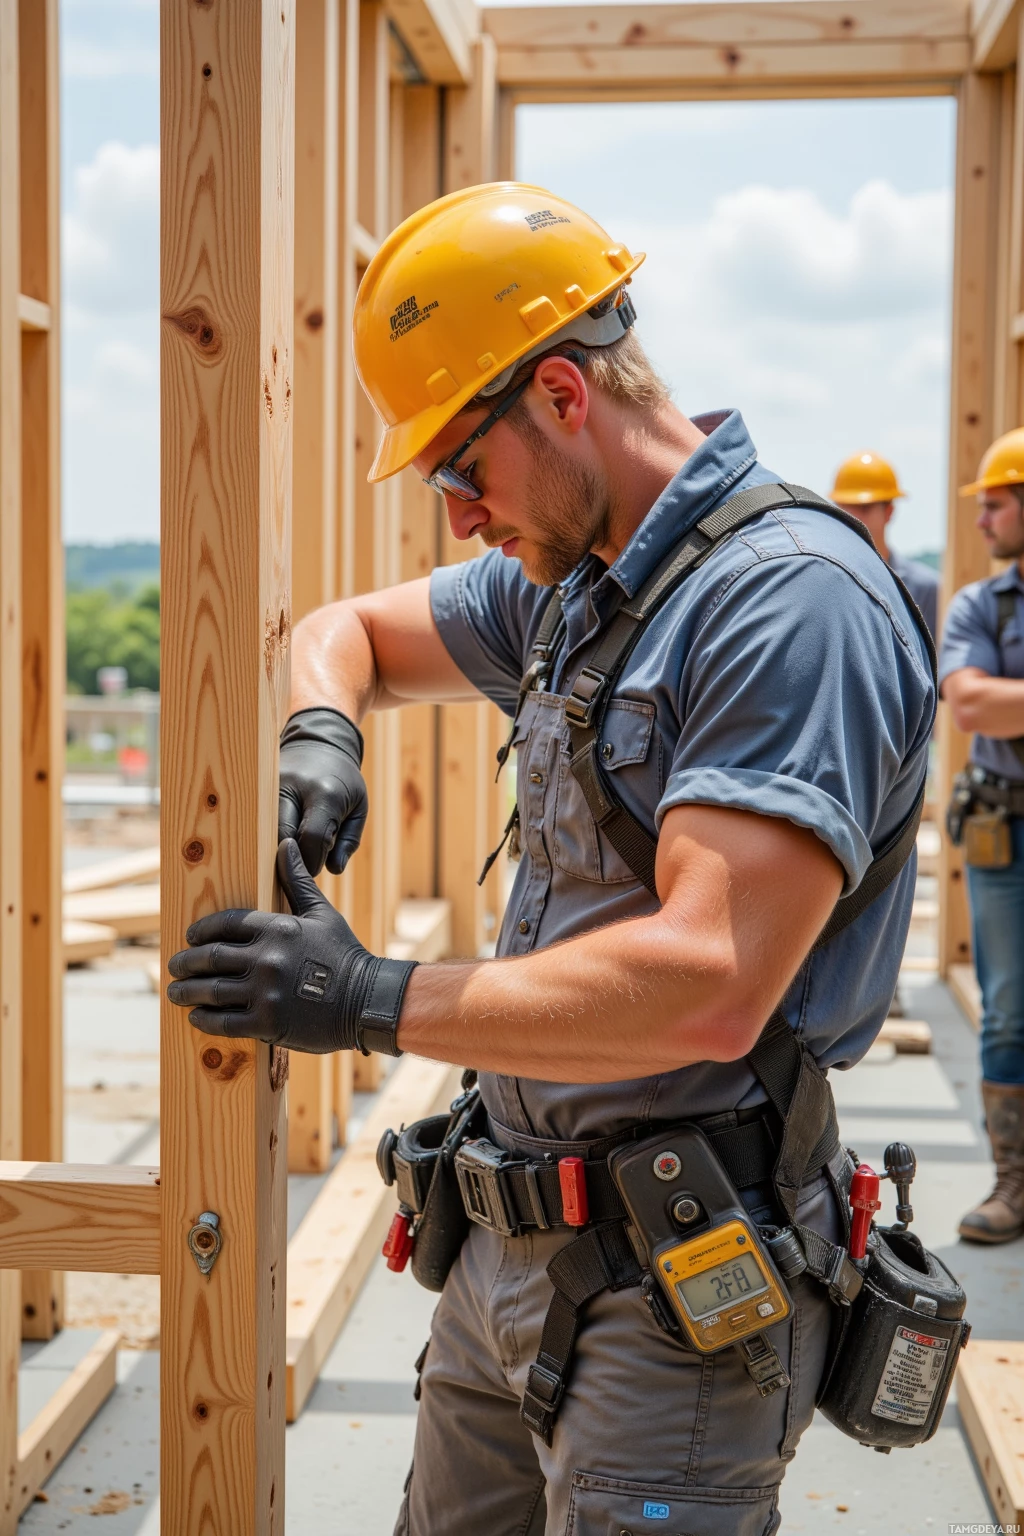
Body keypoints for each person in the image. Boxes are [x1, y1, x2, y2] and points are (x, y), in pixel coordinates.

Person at [166, 185, 935, 1535]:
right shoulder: (577, 584)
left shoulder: (786, 603)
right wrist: (320, 731)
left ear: (565, 397)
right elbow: (343, 630)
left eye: (465, 468)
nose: (459, 516)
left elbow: (712, 979)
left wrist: (368, 995)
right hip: (506, 1251)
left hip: (675, 1286)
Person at [939, 427, 1024, 1245]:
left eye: (994, 503)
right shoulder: (978, 605)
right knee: (1006, 1012)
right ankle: (1014, 1184)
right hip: (1009, 829)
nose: (982, 519)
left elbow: (1000, 699)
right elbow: (970, 705)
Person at [830, 451, 940, 641]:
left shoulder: (923, 587)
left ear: (889, 511)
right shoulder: (825, 581)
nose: (852, 517)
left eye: (864, 508)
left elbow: (929, 666)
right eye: (845, 506)